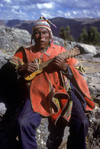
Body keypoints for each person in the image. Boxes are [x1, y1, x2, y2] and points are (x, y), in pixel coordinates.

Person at [8, 16, 95, 149]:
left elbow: (81, 70)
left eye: (45, 33)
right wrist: (21, 68)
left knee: (82, 122)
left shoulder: (61, 51)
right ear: (33, 35)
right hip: (35, 94)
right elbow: (8, 70)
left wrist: (66, 68)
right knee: (23, 123)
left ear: (50, 35)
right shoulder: (25, 52)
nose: (41, 36)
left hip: (63, 92)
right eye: (37, 32)